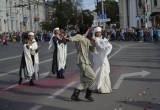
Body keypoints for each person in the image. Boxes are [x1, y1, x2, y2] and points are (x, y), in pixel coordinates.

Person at [67, 24, 96, 102]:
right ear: (85, 30)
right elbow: (72, 38)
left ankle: (75, 95)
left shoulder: (86, 39)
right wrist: (66, 38)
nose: (88, 31)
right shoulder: (79, 36)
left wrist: (94, 45)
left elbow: (92, 49)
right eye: (88, 30)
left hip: (86, 61)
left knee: (84, 79)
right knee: (93, 77)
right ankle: (88, 95)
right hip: (82, 61)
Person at [92, 27, 112, 94]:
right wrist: (107, 41)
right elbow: (100, 47)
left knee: (104, 72)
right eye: (97, 32)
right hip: (98, 58)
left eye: (99, 32)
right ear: (95, 33)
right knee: (98, 72)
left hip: (103, 57)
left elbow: (104, 44)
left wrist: (106, 40)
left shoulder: (101, 39)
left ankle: (103, 88)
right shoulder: (96, 39)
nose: (98, 33)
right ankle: (97, 87)